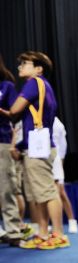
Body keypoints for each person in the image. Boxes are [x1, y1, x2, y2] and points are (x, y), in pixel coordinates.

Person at [0, 51, 68, 249]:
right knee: (35, 194)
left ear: (39, 69)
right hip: (33, 145)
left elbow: (13, 110)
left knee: (46, 191)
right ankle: (43, 233)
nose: (20, 66)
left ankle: (59, 234)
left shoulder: (34, 83)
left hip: (38, 146)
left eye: (25, 63)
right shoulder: (41, 85)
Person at [0, 54, 23, 246]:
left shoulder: (6, 86)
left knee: (6, 188)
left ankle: (14, 231)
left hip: (2, 141)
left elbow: (15, 114)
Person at [51, 116, 78, 233]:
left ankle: (72, 221)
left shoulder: (58, 124)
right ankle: (52, 223)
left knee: (61, 192)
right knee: (47, 193)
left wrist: (60, 162)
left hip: (56, 159)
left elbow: (63, 146)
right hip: (43, 158)